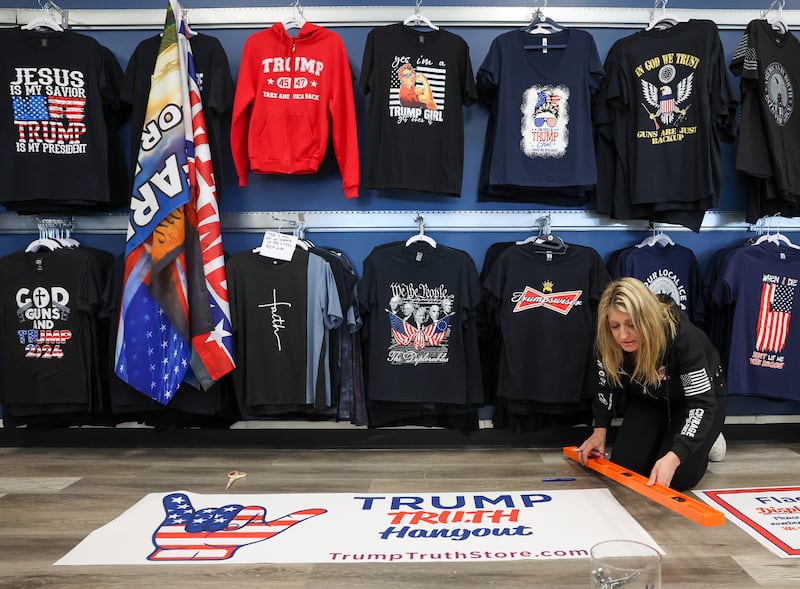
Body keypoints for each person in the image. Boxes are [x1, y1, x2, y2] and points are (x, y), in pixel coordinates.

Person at [577, 277, 727, 492]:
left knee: (676, 480)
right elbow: (606, 384)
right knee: (627, 467)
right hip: (651, 396)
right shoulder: (608, 338)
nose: (623, 335)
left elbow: (701, 404)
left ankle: (708, 437)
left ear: (646, 319)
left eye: (632, 324)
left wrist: (676, 456)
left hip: (696, 402)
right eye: (615, 326)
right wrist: (599, 431)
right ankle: (670, 436)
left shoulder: (682, 337)